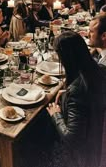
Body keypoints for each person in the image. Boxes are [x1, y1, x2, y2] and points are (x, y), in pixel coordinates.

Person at [47, 31, 106, 167]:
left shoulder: (78, 91)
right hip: (96, 133)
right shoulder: (100, 69)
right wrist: (67, 92)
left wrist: (55, 114)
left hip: (84, 155)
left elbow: (72, 138)